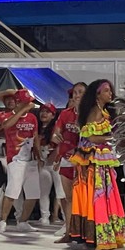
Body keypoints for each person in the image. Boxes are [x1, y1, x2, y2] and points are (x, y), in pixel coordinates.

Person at [65, 79, 125, 250]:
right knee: (98, 195)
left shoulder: (103, 111)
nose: (110, 94)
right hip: (92, 161)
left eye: (110, 90)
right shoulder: (94, 112)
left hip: (100, 159)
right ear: (98, 94)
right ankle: (98, 235)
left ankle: (103, 234)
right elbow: (91, 138)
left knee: (104, 194)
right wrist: (113, 138)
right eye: (106, 91)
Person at [0, 89, 41, 234]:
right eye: (27, 102)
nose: (30, 105)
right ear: (19, 102)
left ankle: (23, 221)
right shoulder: (8, 116)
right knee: (12, 191)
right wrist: (22, 110)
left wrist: (38, 154)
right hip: (15, 159)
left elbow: (35, 136)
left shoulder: (32, 118)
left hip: (30, 160)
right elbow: (6, 126)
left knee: (33, 194)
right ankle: (2, 221)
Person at [50, 82, 86, 238]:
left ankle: (85, 232)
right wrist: (55, 136)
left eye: (80, 92)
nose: (77, 95)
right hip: (66, 159)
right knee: (68, 197)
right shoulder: (65, 114)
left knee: (84, 197)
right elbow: (56, 132)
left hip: (84, 161)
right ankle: (69, 232)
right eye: (75, 92)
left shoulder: (92, 114)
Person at [37, 103, 60, 226]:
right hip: (43, 162)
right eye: (42, 111)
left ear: (53, 115)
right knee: (43, 191)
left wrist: (53, 157)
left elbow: (59, 144)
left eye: (47, 112)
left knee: (60, 191)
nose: (44, 114)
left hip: (55, 163)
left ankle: (65, 218)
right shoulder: (37, 128)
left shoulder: (56, 127)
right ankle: (44, 216)